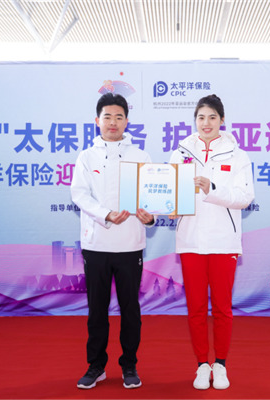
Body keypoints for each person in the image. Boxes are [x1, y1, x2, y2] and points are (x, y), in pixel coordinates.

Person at [169, 94, 255, 390]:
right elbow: (170, 193)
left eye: (212, 117)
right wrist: (169, 206)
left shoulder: (238, 155)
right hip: (191, 240)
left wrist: (211, 187)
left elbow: (245, 198)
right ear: (195, 120)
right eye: (201, 117)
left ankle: (220, 365)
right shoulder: (180, 153)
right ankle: (201, 365)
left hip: (223, 241)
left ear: (222, 120)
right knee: (195, 309)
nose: (206, 123)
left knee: (221, 309)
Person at [71, 93, 155, 390]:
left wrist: (150, 216)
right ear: (97, 121)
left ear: (127, 122)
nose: (113, 122)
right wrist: (105, 214)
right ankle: (96, 366)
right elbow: (79, 194)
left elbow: (152, 195)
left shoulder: (141, 156)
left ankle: (129, 365)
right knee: (97, 309)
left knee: (130, 309)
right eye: (107, 116)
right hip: (96, 244)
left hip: (130, 244)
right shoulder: (87, 156)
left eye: (119, 117)